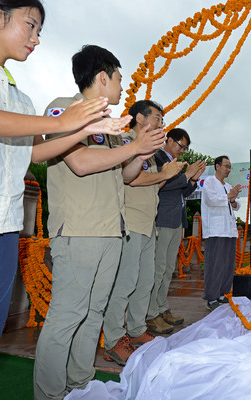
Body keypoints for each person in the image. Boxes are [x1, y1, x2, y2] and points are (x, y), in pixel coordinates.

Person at [0, 2, 131, 398]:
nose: (36, 38)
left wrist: (84, 128)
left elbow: (35, 153)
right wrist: (64, 123)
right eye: (31, 25)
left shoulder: (19, 97)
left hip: (1, 229)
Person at [32, 47, 165, 400]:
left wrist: (139, 151)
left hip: (110, 231)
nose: (122, 87)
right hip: (78, 229)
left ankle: (80, 384)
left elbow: (125, 176)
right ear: (102, 77)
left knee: (93, 314)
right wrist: (131, 146)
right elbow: (79, 162)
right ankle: (49, 393)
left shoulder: (113, 126)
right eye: (119, 78)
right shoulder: (64, 109)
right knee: (67, 315)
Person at [102, 100, 184, 366]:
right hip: (130, 222)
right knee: (124, 283)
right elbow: (131, 179)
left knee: (144, 281)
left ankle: (136, 331)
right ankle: (114, 339)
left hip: (149, 223)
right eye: (158, 118)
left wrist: (164, 176)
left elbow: (151, 187)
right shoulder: (125, 142)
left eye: (162, 119)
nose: (161, 123)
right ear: (139, 118)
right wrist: (164, 174)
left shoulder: (150, 151)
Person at [149, 128, 206, 329]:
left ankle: (162, 307)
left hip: (176, 220)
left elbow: (183, 192)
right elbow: (158, 184)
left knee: (168, 269)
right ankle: (151, 312)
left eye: (185, 148)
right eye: (181, 146)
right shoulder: (155, 158)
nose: (183, 151)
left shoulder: (176, 163)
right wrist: (185, 176)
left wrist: (191, 179)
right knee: (158, 268)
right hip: (161, 219)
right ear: (170, 140)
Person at [201, 155, 241, 311]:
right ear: (217, 166)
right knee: (215, 264)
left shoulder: (228, 185)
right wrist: (228, 196)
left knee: (227, 264)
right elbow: (212, 200)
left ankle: (223, 293)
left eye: (230, 167)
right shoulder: (210, 182)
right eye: (226, 166)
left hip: (229, 230)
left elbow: (237, 206)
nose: (228, 170)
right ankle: (211, 296)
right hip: (216, 230)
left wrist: (233, 199)